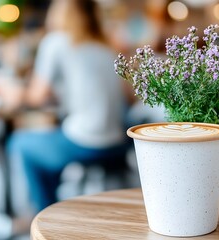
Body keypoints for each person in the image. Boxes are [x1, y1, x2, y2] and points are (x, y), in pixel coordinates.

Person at [7, 0, 131, 213]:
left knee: (21, 143)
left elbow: (35, 97)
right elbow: (129, 97)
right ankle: (56, 213)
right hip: (118, 142)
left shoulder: (56, 41)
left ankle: (44, 216)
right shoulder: (107, 48)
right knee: (48, 150)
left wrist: (7, 89)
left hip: (85, 141)